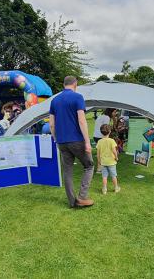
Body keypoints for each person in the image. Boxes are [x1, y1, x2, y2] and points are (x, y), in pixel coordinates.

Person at [49, 76, 94, 208]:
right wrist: (87, 142)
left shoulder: (54, 100)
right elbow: (81, 120)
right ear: (75, 84)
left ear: (64, 84)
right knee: (89, 166)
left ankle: (72, 202)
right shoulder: (78, 97)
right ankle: (82, 197)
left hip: (62, 142)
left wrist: (56, 139)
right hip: (77, 140)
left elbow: (52, 124)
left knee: (67, 171)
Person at [96, 124, 120, 195]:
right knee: (113, 175)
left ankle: (104, 189)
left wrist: (99, 161)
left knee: (104, 176)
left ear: (101, 132)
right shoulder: (112, 141)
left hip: (103, 162)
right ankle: (116, 188)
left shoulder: (99, 141)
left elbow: (98, 153)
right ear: (110, 131)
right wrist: (116, 157)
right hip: (111, 162)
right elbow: (114, 151)